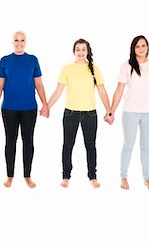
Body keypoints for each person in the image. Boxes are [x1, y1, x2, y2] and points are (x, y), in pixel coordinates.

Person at [47, 38, 112, 188]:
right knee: (68, 145)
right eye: (78, 49)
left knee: (90, 146)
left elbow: (102, 91)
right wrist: (47, 106)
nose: (81, 52)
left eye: (83, 49)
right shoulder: (67, 68)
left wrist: (109, 111)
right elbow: (58, 91)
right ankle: (66, 176)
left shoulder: (95, 69)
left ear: (87, 51)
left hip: (90, 114)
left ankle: (92, 176)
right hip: (71, 113)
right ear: (74, 51)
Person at [110, 36, 149, 191]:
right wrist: (111, 111)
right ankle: (123, 177)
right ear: (133, 49)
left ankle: (147, 179)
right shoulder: (126, 66)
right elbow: (119, 91)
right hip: (130, 111)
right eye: (138, 46)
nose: (141, 49)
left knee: (146, 147)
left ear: (148, 47)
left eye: (143, 45)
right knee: (128, 145)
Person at [0, 31, 49, 188]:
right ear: (12, 42)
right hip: (9, 109)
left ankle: (27, 175)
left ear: (26, 42)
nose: (19, 43)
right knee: (10, 141)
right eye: (16, 40)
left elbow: (39, 84)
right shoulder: (5, 60)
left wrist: (46, 104)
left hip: (29, 109)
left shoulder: (32, 60)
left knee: (28, 141)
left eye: (22, 40)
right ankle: (9, 176)